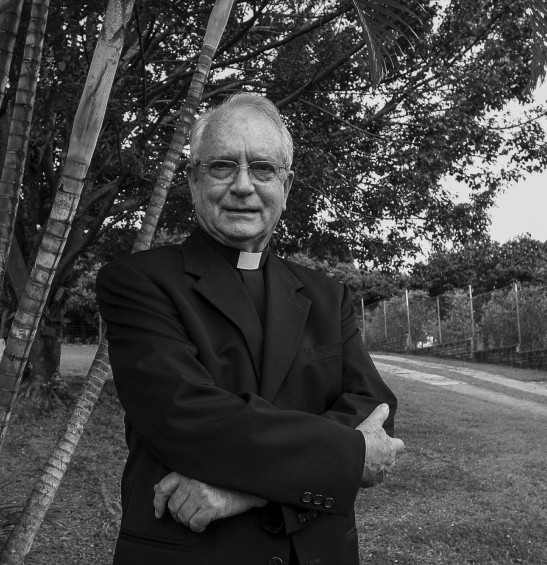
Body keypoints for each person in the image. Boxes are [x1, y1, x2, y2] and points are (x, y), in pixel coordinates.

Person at [95, 92, 404, 565]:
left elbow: (373, 410)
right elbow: (188, 420)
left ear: (287, 184)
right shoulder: (138, 283)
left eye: (262, 168)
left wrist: (245, 494)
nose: (243, 186)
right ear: (194, 180)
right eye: (222, 167)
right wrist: (344, 457)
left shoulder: (327, 295)